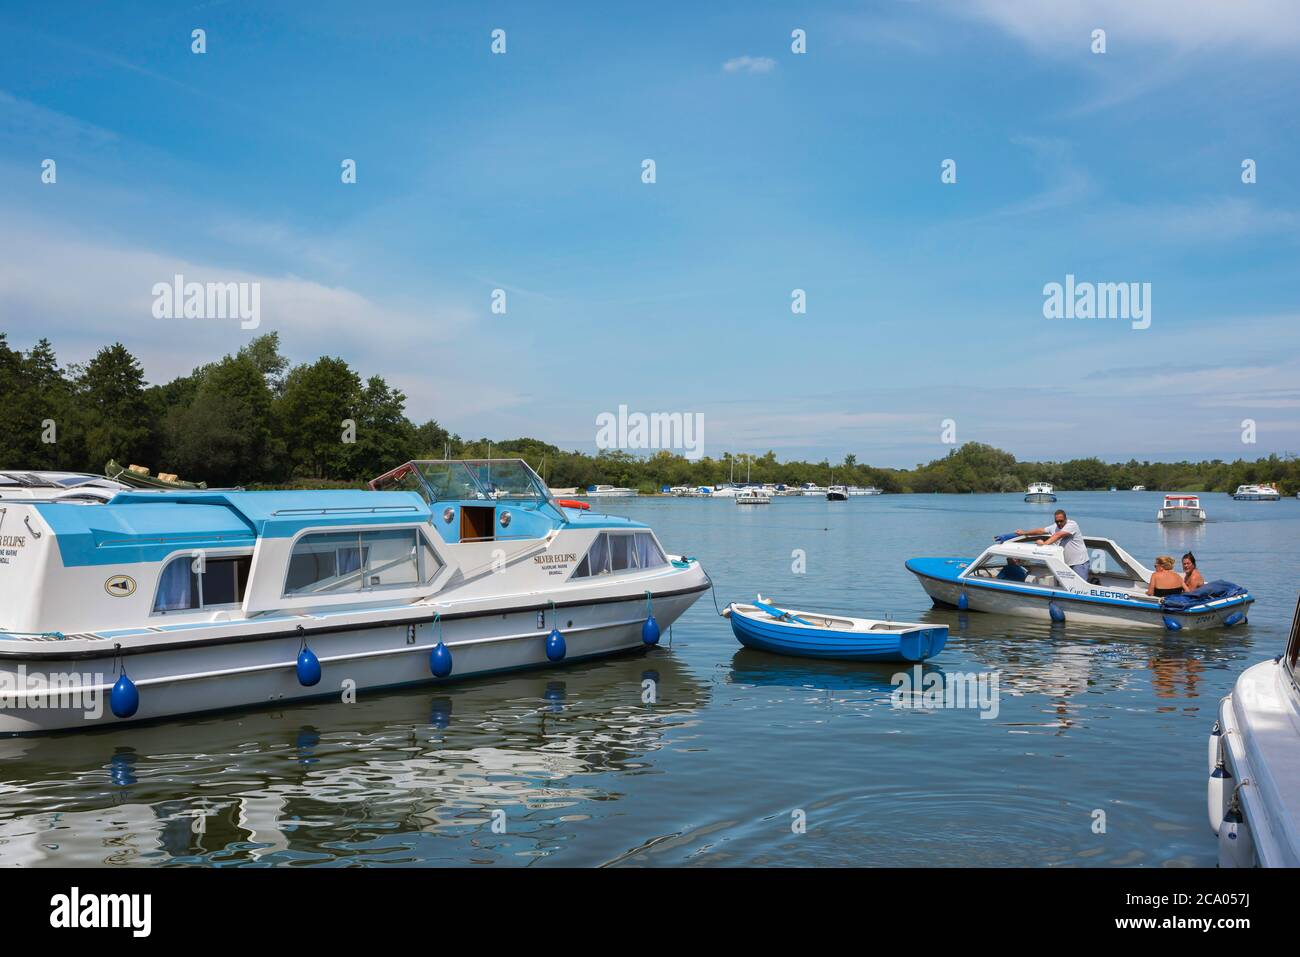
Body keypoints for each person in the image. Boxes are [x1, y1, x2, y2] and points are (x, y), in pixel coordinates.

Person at [1016, 510, 1090, 583]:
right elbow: (1041, 530)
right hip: (1065, 564)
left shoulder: (1072, 524)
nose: (1059, 523)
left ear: (1066, 519)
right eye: (1057, 521)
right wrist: (1024, 532)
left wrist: (1044, 544)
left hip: (1079, 563)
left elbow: (1058, 535)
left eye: (1061, 521)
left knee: (1080, 588)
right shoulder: (1054, 527)